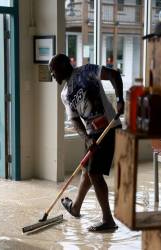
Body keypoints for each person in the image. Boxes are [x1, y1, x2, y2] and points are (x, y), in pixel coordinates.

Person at [48, 54, 124, 232]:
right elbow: (74, 120)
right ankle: (75, 208)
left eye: (53, 70)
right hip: (91, 135)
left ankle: (108, 220)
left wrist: (120, 99)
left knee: (95, 173)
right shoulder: (65, 94)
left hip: (108, 127)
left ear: (63, 66)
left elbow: (114, 75)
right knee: (86, 171)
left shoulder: (88, 71)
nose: (52, 75)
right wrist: (87, 138)